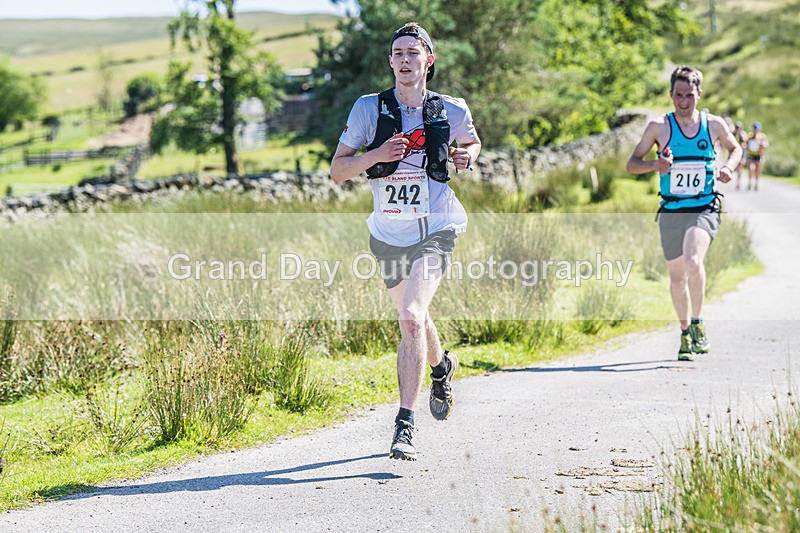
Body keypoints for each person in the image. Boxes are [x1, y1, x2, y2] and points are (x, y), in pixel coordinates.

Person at [329, 22, 481, 460]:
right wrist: (377, 155)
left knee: (412, 317)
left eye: (413, 52)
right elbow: (338, 171)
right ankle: (441, 369)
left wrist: (467, 155)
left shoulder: (450, 109)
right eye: (397, 53)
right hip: (387, 233)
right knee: (414, 316)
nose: (404, 60)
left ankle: (404, 426)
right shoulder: (368, 109)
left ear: (428, 60)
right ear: (390, 61)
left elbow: (472, 143)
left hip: (437, 227)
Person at [626, 65, 742, 361]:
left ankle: (699, 322)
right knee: (677, 279)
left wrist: (728, 167)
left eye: (689, 95)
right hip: (671, 211)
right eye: (678, 95)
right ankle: (685, 332)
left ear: (699, 94)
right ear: (671, 95)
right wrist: (655, 165)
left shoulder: (713, 125)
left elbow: (736, 149)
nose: (683, 101)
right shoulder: (658, 127)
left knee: (693, 260)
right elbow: (632, 163)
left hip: (704, 207)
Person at [745, 121, 769, 191]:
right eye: (754, 128)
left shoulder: (762, 136)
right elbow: (745, 144)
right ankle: (750, 183)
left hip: (759, 156)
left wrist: (760, 143)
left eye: (757, 128)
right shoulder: (749, 136)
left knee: (757, 171)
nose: (755, 130)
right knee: (751, 168)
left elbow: (766, 145)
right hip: (751, 155)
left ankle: (756, 183)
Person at [732, 121, 748, 190]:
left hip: (741, 153)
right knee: (734, 168)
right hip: (733, 152)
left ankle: (738, 183)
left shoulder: (743, 134)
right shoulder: (733, 134)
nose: (738, 129)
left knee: (740, 168)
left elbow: (745, 144)